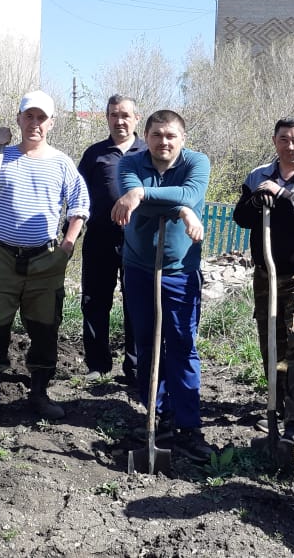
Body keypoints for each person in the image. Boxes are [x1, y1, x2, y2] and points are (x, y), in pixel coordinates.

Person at [0, 90, 90, 429]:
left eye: (41, 118)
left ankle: (39, 393)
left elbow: (80, 205)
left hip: (45, 259)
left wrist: (67, 246)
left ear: (51, 123)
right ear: (19, 119)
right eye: (29, 116)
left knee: (45, 328)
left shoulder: (61, 163)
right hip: (2, 257)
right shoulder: (2, 157)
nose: (35, 123)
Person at [111, 109, 215, 462]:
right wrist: (181, 208)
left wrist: (146, 195)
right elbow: (136, 203)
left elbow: (190, 192)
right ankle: (154, 415)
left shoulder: (197, 162)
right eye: (156, 135)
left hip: (180, 270)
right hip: (140, 268)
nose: (163, 142)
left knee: (182, 345)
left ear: (182, 138)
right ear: (147, 137)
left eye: (171, 135)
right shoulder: (130, 163)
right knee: (146, 343)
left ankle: (188, 426)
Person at [232, 116, 294, 450]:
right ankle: (275, 408)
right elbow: (240, 217)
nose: (290, 146)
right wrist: (256, 200)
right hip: (266, 273)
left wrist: (283, 195)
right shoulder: (257, 176)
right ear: (275, 141)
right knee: (272, 344)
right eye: (284, 139)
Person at [77, 95, 146, 382]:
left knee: (137, 303)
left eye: (125, 115)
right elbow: (78, 196)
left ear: (136, 118)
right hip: (100, 239)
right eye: (114, 115)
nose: (120, 121)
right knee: (94, 301)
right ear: (107, 118)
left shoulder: (148, 152)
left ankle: (136, 367)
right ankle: (98, 364)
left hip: (139, 242)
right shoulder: (95, 154)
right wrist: (70, 233)